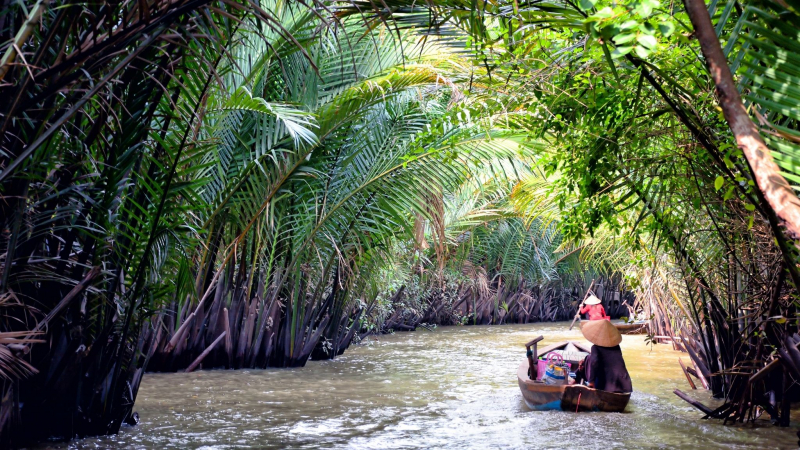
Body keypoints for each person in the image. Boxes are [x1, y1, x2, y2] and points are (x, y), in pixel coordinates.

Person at [580, 319, 632, 393]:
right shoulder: (616, 347)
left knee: (588, 359)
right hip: (623, 385)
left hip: (607, 386)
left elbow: (594, 362)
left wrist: (591, 382)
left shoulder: (595, 347)